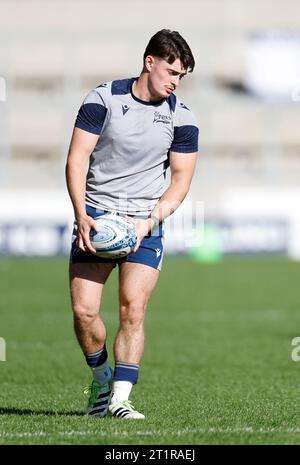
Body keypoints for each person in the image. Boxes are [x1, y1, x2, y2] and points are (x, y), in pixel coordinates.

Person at [66, 29, 199, 419]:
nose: (175, 82)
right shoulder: (103, 99)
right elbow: (77, 158)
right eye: (172, 71)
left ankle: (121, 399)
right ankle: (101, 378)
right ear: (150, 62)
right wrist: (81, 214)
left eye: (182, 76)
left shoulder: (182, 116)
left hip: (146, 223)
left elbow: (180, 182)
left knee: (133, 310)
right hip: (97, 217)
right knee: (84, 312)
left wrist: (148, 222)